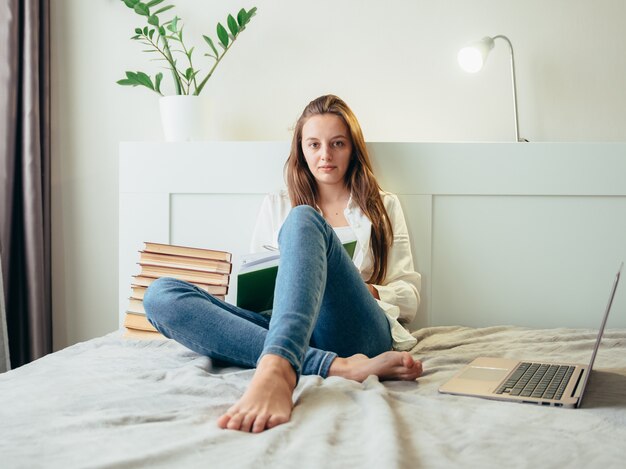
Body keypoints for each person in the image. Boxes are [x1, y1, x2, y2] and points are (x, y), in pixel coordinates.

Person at [143, 94, 423, 434]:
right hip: (288, 328)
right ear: (301, 149)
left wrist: (370, 291)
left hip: (356, 330)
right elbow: (257, 280)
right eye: (314, 144)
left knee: (303, 219)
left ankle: (277, 369)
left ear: (353, 148)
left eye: (337, 144)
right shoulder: (276, 202)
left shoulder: (383, 206)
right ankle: (336, 368)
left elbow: (409, 294)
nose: (325, 155)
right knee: (160, 295)